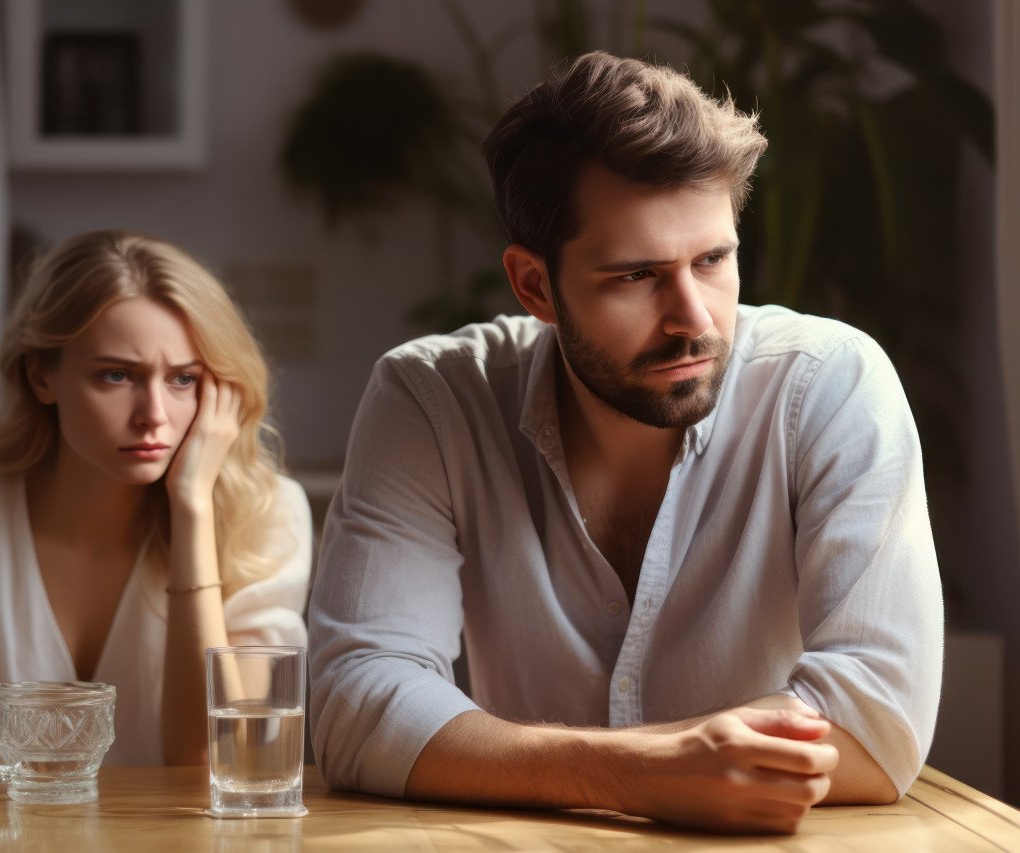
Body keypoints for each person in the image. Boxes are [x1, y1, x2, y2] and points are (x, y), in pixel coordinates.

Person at [307, 51, 942, 834]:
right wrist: (641, 775)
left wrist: (561, 765)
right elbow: (358, 703)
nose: (694, 318)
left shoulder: (830, 383)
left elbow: (876, 722)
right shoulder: (433, 400)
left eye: (713, 260)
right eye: (637, 275)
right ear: (535, 285)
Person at [0, 230, 311, 766]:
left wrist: (192, 507)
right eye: (117, 375)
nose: (154, 415)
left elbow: (208, 769)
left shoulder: (265, 518)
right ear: (41, 375)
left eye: (184, 380)